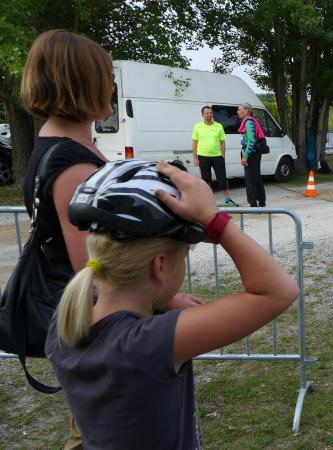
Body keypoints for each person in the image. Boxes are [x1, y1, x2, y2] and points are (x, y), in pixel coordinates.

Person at [20, 31, 205, 449]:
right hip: (103, 328)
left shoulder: (58, 146)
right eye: (106, 77)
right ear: (82, 81)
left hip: (95, 324)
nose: (112, 87)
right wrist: (168, 299)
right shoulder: (70, 161)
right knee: (96, 432)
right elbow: (93, 263)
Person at [46, 159, 299, 450]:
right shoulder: (146, 344)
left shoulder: (65, 322)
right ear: (160, 266)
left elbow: (119, 290)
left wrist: (162, 300)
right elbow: (278, 291)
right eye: (184, 255)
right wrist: (212, 218)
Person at [192, 106, 238, 207]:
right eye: (207, 113)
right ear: (202, 115)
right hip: (203, 156)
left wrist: (222, 156)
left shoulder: (219, 126)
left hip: (217, 156)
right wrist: (195, 158)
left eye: (210, 113)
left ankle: (228, 200)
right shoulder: (197, 126)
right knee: (206, 180)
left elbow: (222, 142)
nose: (209, 115)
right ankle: (209, 202)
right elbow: (195, 143)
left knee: (222, 179)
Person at [237, 103, 266, 207]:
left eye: (239, 109)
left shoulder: (248, 122)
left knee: (250, 180)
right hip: (253, 154)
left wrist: (245, 156)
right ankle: (261, 202)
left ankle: (253, 204)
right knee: (256, 178)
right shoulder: (250, 121)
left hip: (251, 154)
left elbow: (251, 140)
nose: (237, 111)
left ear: (246, 111)